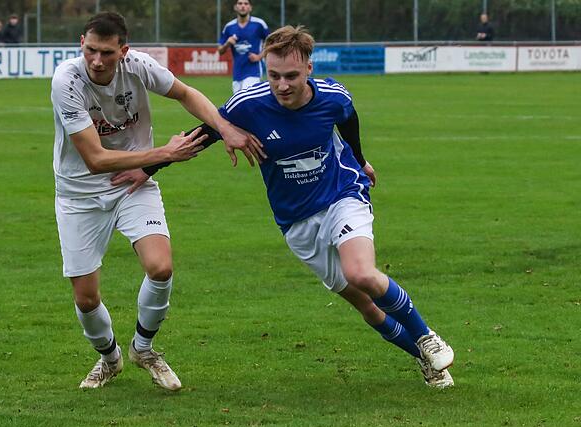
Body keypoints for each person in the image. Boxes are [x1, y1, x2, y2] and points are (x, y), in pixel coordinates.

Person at [185, 26, 456, 388]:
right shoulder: (248, 105)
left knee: (361, 272)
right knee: (367, 306)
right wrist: (148, 166)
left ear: (309, 69)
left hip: (342, 194)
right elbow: (206, 131)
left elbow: (349, 120)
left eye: (292, 76)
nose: (282, 85)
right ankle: (426, 360)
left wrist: (360, 160)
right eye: (275, 75)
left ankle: (426, 336)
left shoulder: (332, 96)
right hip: (296, 222)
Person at [50, 11, 257, 391]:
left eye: (107, 53)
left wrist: (225, 128)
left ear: (123, 51)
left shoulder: (139, 66)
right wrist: (163, 155)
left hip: (132, 186)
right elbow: (95, 160)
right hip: (79, 194)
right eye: (91, 50)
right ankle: (109, 359)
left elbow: (186, 93)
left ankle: (143, 349)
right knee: (85, 297)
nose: (97, 60)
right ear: (81, 44)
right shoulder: (67, 81)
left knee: (160, 267)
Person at [218, 0, 269, 94]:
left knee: (248, 97)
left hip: (254, 70)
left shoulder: (259, 24)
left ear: (250, 7)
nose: (243, 6)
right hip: (237, 72)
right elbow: (220, 51)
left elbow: (271, 43)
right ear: (235, 7)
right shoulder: (229, 27)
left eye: (246, 4)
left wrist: (259, 56)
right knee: (239, 103)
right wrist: (227, 43)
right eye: (240, 3)